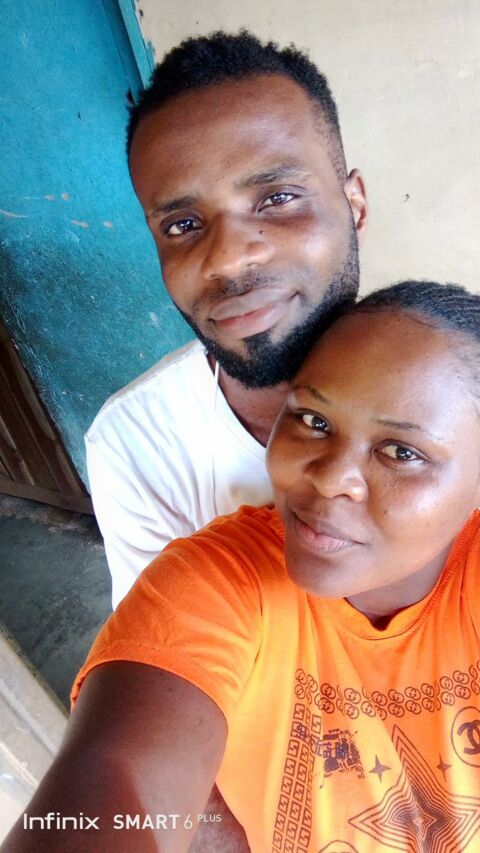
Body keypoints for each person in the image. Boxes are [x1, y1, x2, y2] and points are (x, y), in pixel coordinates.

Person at [6, 281, 480, 852]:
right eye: (312, 420)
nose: (330, 479)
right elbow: (119, 781)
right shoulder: (215, 581)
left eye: (401, 452)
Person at [85, 30, 367, 609]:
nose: (229, 258)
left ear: (354, 207)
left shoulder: (469, 395)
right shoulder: (136, 443)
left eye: (278, 198)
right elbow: (164, 642)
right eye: (183, 225)